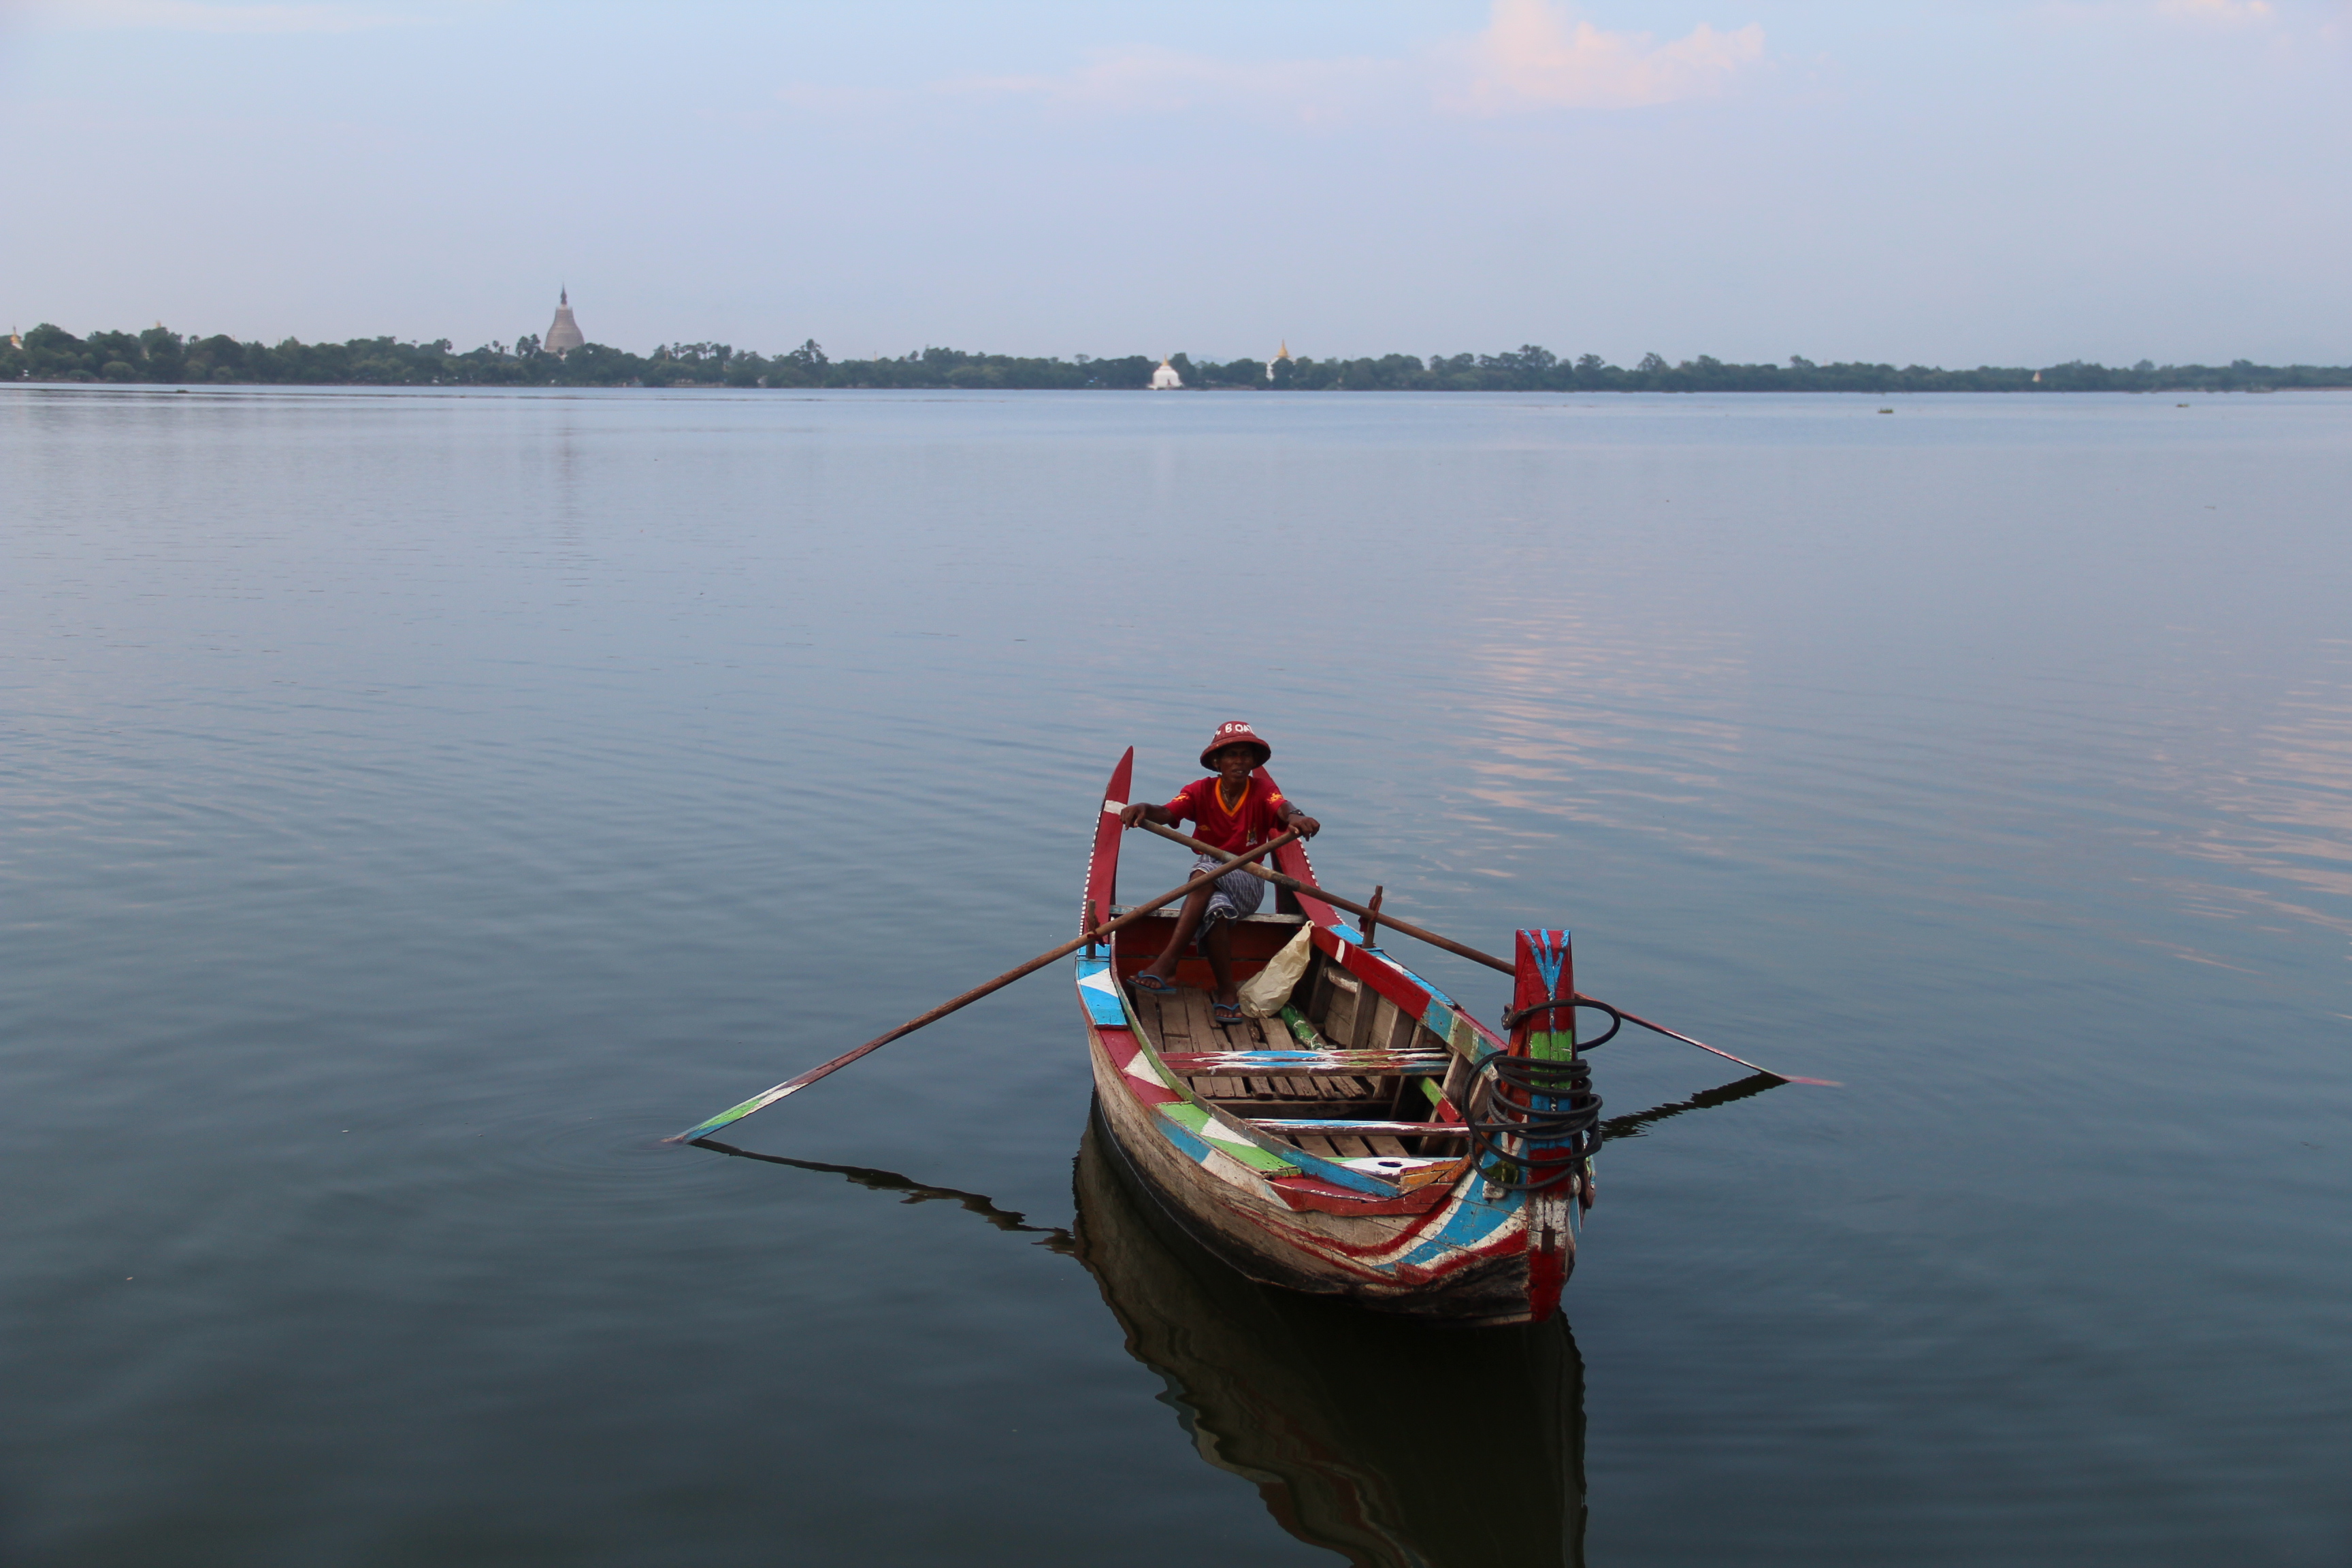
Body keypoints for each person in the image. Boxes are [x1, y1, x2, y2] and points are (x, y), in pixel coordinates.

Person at [1119, 721, 1320, 1022]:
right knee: (1216, 910)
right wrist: (1145, 808)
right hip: (1212, 885)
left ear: (1253, 762)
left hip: (1250, 879)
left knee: (1202, 874)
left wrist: (1297, 817)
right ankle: (1227, 992)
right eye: (1231, 756)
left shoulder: (1262, 789)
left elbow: (1282, 807)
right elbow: (1169, 812)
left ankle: (1168, 963)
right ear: (1217, 762)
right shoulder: (1199, 791)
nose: (1239, 762)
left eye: (1245, 756)